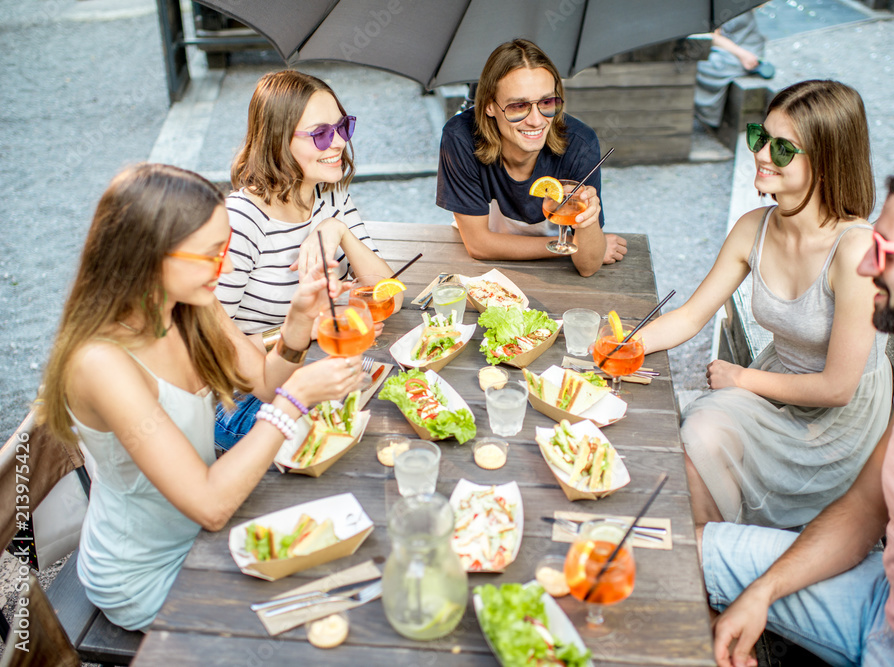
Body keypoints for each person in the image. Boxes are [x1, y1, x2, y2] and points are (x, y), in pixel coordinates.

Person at [36, 163, 364, 632]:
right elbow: (211, 504)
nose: (227, 267)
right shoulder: (101, 362)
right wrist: (293, 401)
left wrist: (297, 321)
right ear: (151, 258)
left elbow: (265, 384)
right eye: (212, 254)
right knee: (324, 607)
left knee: (345, 573)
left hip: (204, 535)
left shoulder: (190, 305)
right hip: (147, 573)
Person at [705, 155, 894, 667]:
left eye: (885, 251)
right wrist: (763, 591)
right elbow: (864, 510)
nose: (865, 265)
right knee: (675, 546)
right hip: (880, 598)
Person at [642, 80, 892, 528]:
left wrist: (741, 377)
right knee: (699, 434)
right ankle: (707, 561)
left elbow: (838, 387)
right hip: (775, 385)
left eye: (781, 149)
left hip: (839, 423)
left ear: (828, 159)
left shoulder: (855, 250)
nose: (760, 154)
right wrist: (620, 344)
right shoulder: (754, 226)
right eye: (761, 137)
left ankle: (716, 558)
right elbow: (690, 316)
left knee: (702, 429)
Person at [214, 70, 393, 450]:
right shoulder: (242, 220)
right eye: (321, 134)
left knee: (400, 402)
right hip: (243, 398)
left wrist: (336, 229)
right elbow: (211, 337)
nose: (339, 143)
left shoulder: (331, 196)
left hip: (312, 365)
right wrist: (303, 331)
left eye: (342, 127)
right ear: (277, 141)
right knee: (362, 440)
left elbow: (387, 293)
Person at [436, 38, 628, 277]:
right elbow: (478, 245)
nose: (537, 121)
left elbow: (588, 266)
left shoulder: (580, 143)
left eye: (547, 102)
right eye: (518, 106)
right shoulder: (461, 137)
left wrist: (589, 223)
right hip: (485, 273)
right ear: (488, 106)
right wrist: (565, 248)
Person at [694, 11, 773, 129]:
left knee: (709, 64)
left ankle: (705, 115)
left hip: (750, 46)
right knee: (705, 64)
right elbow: (714, 36)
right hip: (728, 49)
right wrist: (741, 54)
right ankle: (704, 114)